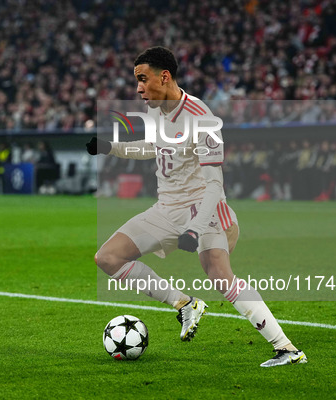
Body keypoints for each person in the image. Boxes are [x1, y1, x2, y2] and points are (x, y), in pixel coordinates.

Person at [86, 47, 306, 367]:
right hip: (166, 208)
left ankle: (287, 349)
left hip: (202, 208)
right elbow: (154, 148)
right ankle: (185, 304)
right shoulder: (155, 110)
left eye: (143, 79)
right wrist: (110, 147)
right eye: (136, 81)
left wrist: (195, 228)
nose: (138, 88)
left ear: (165, 77)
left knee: (218, 273)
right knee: (108, 258)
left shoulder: (201, 118)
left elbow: (215, 185)